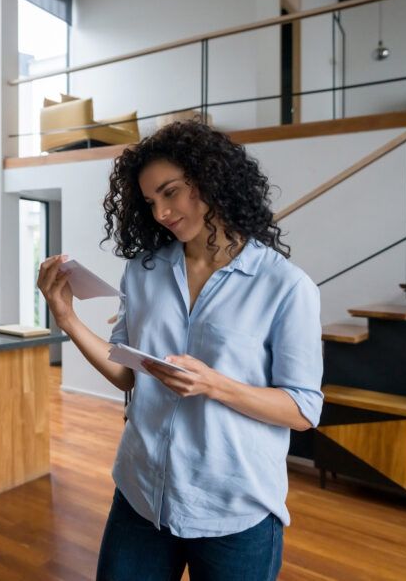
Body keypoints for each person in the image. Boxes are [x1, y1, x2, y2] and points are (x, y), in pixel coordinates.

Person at [37, 119, 323, 581]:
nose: (162, 212)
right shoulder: (144, 272)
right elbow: (128, 373)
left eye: (170, 192)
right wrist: (67, 318)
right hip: (141, 495)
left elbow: (303, 410)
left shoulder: (286, 287)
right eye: (150, 201)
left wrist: (214, 385)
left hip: (234, 509)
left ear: (211, 179)